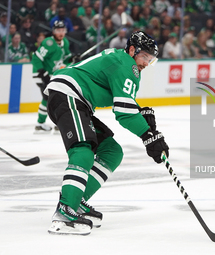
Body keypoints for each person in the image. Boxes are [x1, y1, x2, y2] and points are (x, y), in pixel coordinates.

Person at [44, 31, 169, 235]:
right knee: (82, 150)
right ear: (132, 50)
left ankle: (78, 201)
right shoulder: (127, 65)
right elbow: (124, 113)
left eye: (150, 59)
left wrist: (140, 112)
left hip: (75, 100)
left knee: (112, 151)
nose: (146, 63)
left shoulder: (121, 60)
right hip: (68, 95)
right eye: (145, 57)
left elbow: (125, 103)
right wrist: (149, 136)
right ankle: (65, 211)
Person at [31, 21, 73, 133]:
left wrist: (74, 59)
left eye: (63, 30)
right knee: (49, 98)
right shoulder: (49, 43)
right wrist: (41, 72)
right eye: (58, 31)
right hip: (40, 74)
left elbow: (67, 59)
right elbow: (36, 58)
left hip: (51, 75)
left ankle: (42, 124)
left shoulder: (65, 42)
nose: (61, 33)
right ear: (53, 32)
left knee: (51, 98)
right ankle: (47, 123)